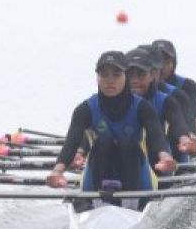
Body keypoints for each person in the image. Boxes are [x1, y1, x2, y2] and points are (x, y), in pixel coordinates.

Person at [46, 51, 177, 204]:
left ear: (125, 77)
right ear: (97, 78)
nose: (110, 81)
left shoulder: (143, 107)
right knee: (103, 142)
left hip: (137, 178)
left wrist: (166, 158)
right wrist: (57, 172)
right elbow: (70, 144)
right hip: (97, 177)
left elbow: (157, 138)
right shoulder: (85, 109)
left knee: (127, 143)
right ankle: (96, 201)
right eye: (104, 75)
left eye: (116, 75)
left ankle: (131, 201)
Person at [124, 47, 196, 162]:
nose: (134, 81)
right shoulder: (104, 101)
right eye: (129, 75)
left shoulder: (170, 99)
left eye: (141, 74)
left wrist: (186, 138)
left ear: (152, 75)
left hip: (159, 158)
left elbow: (179, 125)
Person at [151, 38, 196, 133]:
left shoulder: (188, 86)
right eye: (158, 62)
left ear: (174, 63)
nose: (161, 67)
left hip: (180, 142)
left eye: (166, 61)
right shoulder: (138, 88)